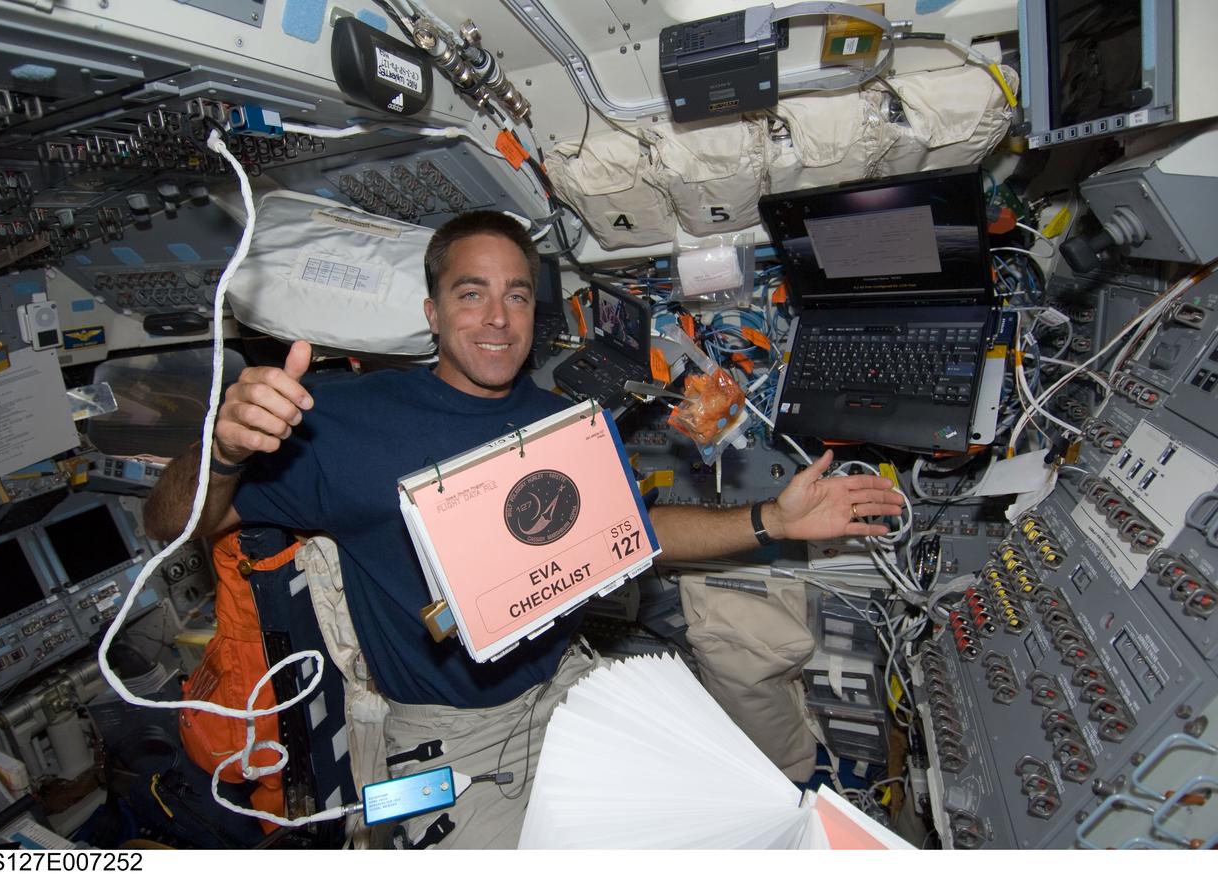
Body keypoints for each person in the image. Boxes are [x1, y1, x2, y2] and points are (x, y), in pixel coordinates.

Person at [144, 210, 903, 848]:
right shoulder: (340, 421)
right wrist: (221, 447)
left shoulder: (560, 421)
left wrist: (773, 520)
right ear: (432, 312)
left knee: (723, 820)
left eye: (515, 296)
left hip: (567, 688)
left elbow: (636, 534)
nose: (497, 319)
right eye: (471, 295)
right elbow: (168, 524)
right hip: (447, 735)